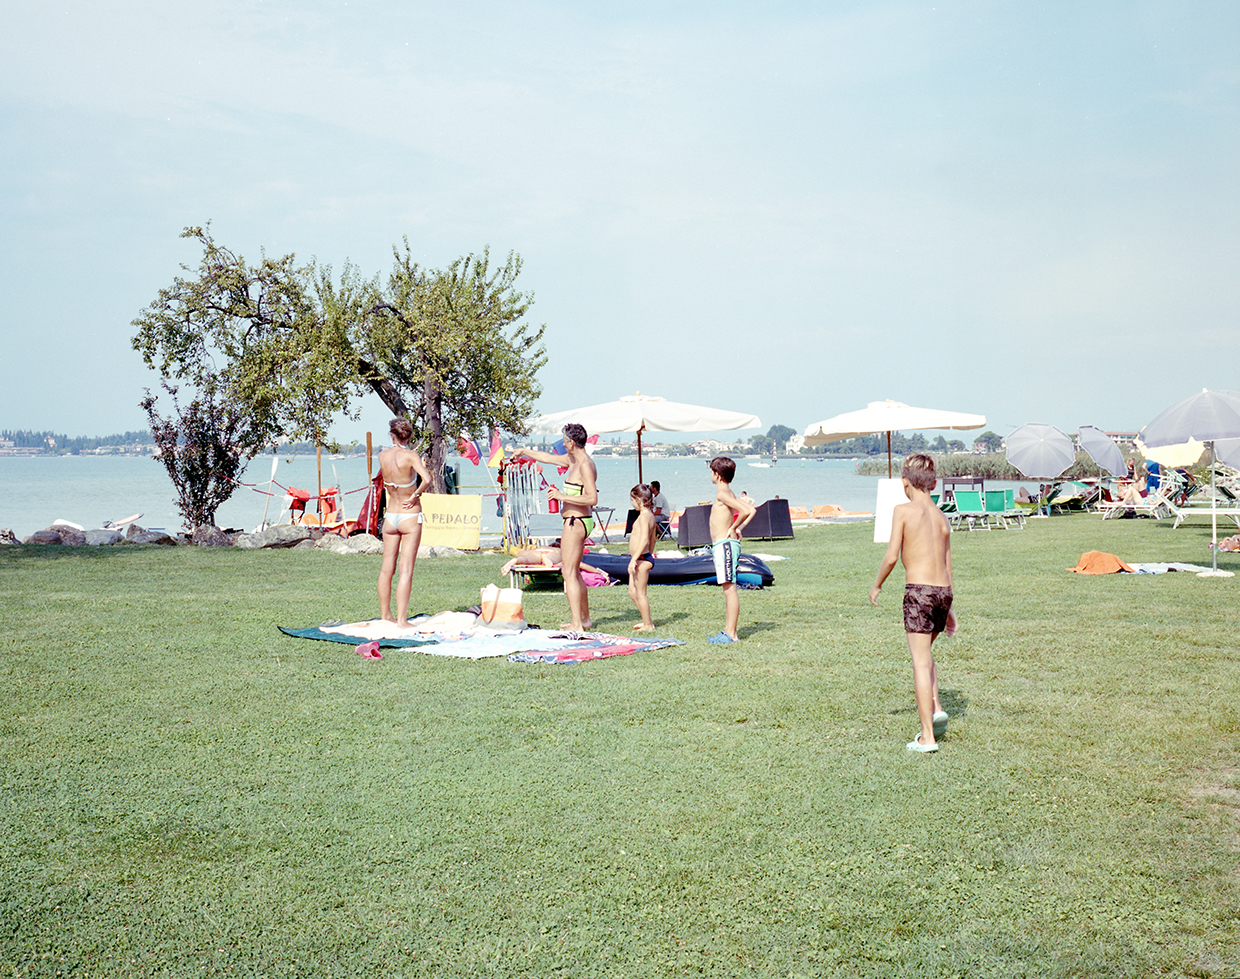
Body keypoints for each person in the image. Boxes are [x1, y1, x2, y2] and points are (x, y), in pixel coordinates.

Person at [869, 453, 955, 753]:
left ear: (905, 482)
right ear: (932, 483)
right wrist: (951, 607)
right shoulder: (941, 516)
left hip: (919, 592)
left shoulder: (903, 510)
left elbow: (892, 556)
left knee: (919, 661)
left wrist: (877, 585)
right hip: (943, 592)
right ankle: (937, 707)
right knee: (926, 653)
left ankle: (927, 737)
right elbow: (947, 562)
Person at [513, 423, 598, 631]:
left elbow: (592, 498)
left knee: (568, 572)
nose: (562, 443)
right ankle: (584, 620)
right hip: (575, 520)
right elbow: (547, 458)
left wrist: (562, 496)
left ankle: (577, 624)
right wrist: (524, 451)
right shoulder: (573, 460)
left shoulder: (585, 464)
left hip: (576, 522)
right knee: (574, 572)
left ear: (570, 442)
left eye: (563, 440)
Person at [377, 417, 433, 626]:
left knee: (386, 569)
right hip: (409, 516)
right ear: (408, 436)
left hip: (391, 515)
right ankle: (401, 620)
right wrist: (416, 495)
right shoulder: (410, 456)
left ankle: (385, 615)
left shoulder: (382, 455)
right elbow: (426, 479)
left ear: (392, 435)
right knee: (406, 569)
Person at [707, 456, 755, 644]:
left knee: (730, 589)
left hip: (724, 545)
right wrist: (738, 528)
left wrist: (734, 527)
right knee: (728, 588)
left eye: (711, 471)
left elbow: (745, 512)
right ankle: (728, 631)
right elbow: (751, 510)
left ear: (717, 475)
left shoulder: (722, 494)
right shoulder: (728, 492)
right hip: (723, 545)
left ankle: (731, 634)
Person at [627, 484, 658, 631]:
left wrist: (638, 558)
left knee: (640, 593)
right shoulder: (648, 515)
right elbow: (653, 540)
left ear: (639, 499)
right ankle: (647, 620)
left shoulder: (645, 517)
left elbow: (645, 538)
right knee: (632, 592)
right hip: (642, 557)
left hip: (641, 558)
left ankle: (648, 624)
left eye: (633, 501)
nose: (632, 504)